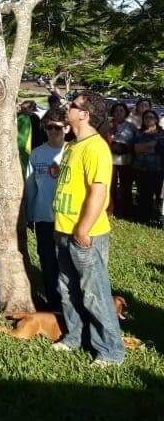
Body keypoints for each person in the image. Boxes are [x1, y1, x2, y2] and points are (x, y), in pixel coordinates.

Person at [51, 91, 125, 365]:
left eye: (73, 104)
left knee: (95, 293)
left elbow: (99, 192)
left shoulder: (96, 147)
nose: (67, 107)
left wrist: (83, 229)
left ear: (84, 114)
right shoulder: (73, 145)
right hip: (63, 228)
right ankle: (75, 336)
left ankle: (110, 351)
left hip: (85, 233)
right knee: (68, 287)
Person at [23, 108, 67, 309]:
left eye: (56, 128)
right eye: (48, 127)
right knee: (48, 263)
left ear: (66, 128)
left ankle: (71, 304)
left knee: (67, 265)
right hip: (43, 218)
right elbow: (30, 187)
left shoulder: (71, 152)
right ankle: (54, 304)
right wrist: (29, 215)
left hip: (67, 219)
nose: (52, 131)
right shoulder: (37, 154)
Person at [102, 102, 135, 219]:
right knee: (111, 187)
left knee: (126, 187)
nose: (119, 112)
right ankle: (111, 210)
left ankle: (126, 211)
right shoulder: (107, 125)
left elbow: (135, 143)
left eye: (121, 110)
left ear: (126, 113)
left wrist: (124, 148)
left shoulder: (131, 126)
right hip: (110, 161)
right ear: (113, 112)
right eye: (116, 110)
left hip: (126, 161)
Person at [132, 110, 162, 225]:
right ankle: (143, 217)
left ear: (156, 119)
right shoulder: (138, 133)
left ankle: (157, 216)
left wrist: (143, 147)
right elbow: (135, 149)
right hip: (140, 169)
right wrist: (152, 145)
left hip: (157, 169)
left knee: (158, 195)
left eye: (151, 117)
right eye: (146, 118)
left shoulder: (161, 133)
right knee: (143, 194)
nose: (148, 119)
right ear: (143, 120)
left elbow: (159, 149)